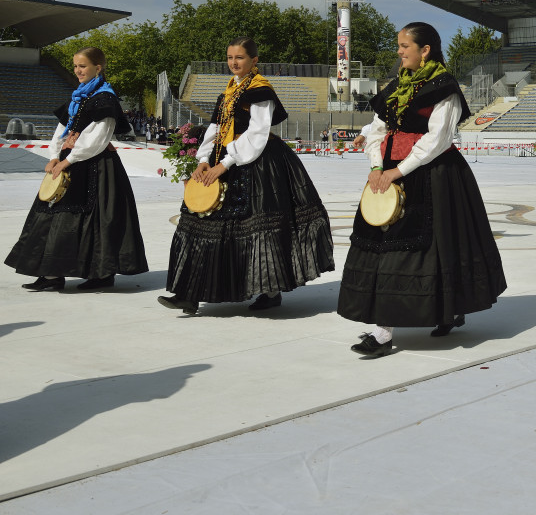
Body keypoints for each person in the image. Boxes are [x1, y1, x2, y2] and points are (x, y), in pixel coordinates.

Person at [338, 23, 507, 358]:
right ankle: (410, 319)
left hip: (432, 177)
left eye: (405, 46)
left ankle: (389, 331)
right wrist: (376, 167)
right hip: (389, 174)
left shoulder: (443, 87)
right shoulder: (398, 84)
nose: (399, 52)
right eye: (399, 46)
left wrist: (396, 171)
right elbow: (378, 127)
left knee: (429, 247)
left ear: (425, 49)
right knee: (385, 246)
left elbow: (438, 139)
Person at [159, 37, 335, 315]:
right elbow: (214, 127)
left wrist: (225, 163)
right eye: (229, 57)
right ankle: (188, 293)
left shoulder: (260, 89)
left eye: (239, 58)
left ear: (254, 61)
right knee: (203, 220)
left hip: (256, 161)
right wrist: (204, 159)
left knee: (257, 225)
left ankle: (269, 289)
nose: (233, 63)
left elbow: (257, 133)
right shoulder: (228, 91)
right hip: (224, 157)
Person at [6, 47, 148, 291]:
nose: (78, 70)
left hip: (96, 167)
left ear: (97, 68)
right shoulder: (77, 97)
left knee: (96, 220)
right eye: (75, 66)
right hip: (69, 162)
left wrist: (66, 161)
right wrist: (53, 156)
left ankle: (101, 275)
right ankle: (52, 274)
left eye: (83, 66)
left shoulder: (105, 98)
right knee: (53, 215)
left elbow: (97, 140)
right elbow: (61, 131)